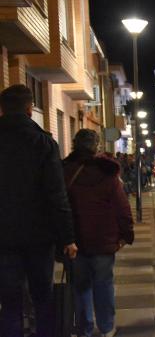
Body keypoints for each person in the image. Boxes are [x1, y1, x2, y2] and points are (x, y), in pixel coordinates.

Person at [0, 84, 77, 337]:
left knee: (9, 302)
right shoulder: (43, 143)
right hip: (39, 237)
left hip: (3, 238)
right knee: (43, 298)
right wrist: (67, 237)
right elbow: (56, 194)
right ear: (29, 108)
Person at [63, 129, 134, 337]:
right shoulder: (108, 172)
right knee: (103, 284)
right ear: (97, 147)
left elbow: (58, 205)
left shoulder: (65, 170)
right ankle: (106, 327)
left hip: (74, 239)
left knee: (80, 285)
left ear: (75, 145)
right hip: (104, 239)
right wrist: (126, 234)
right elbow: (122, 207)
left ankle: (84, 328)